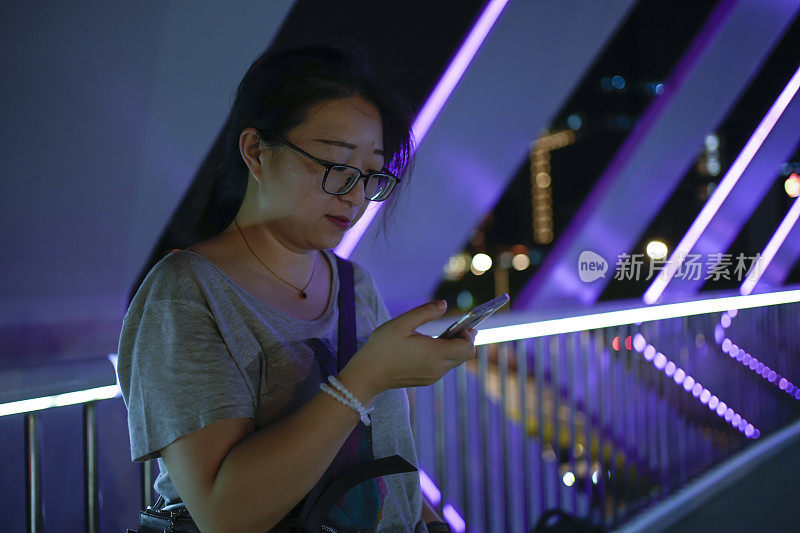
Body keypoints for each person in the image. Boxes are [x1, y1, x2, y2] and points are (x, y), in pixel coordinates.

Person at [116, 44, 477, 532]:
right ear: (256, 151)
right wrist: (365, 379)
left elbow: (379, 467)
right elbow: (225, 514)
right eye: (335, 167)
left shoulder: (353, 285)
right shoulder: (186, 294)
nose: (355, 197)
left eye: (369, 176)